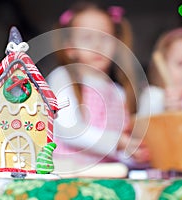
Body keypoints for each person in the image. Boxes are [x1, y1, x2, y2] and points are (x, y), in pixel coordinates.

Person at [46, 1, 150, 174]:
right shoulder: (63, 76)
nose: (97, 45)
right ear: (70, 47)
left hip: (108, 175)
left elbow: (118, 149)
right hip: (68, 173)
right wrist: (119, 142)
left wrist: (133, 153)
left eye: (105, 37)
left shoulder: (119, 92)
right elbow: (68, 129)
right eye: (87, 38)